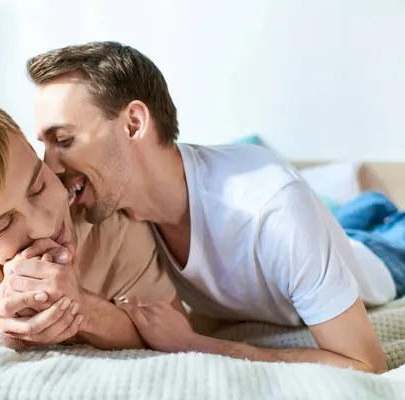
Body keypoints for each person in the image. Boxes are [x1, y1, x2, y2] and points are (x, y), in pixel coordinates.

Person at [26, 41, 391, 372]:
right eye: (45, 144)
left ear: (134, 123)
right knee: (340, 213)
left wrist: (196, 345)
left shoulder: (272, 207)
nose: (50, 166)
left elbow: (364, 364)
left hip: (379, 258)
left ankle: (372, 202)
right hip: (315, 228)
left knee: (376, 222)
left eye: (63, 139)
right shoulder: (106, 203)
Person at [0, 96, 182, 350]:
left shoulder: (111, 215)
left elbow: (174, 333)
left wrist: (81, 305)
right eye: (2, 225)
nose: (42, 226)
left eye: (38, 186)